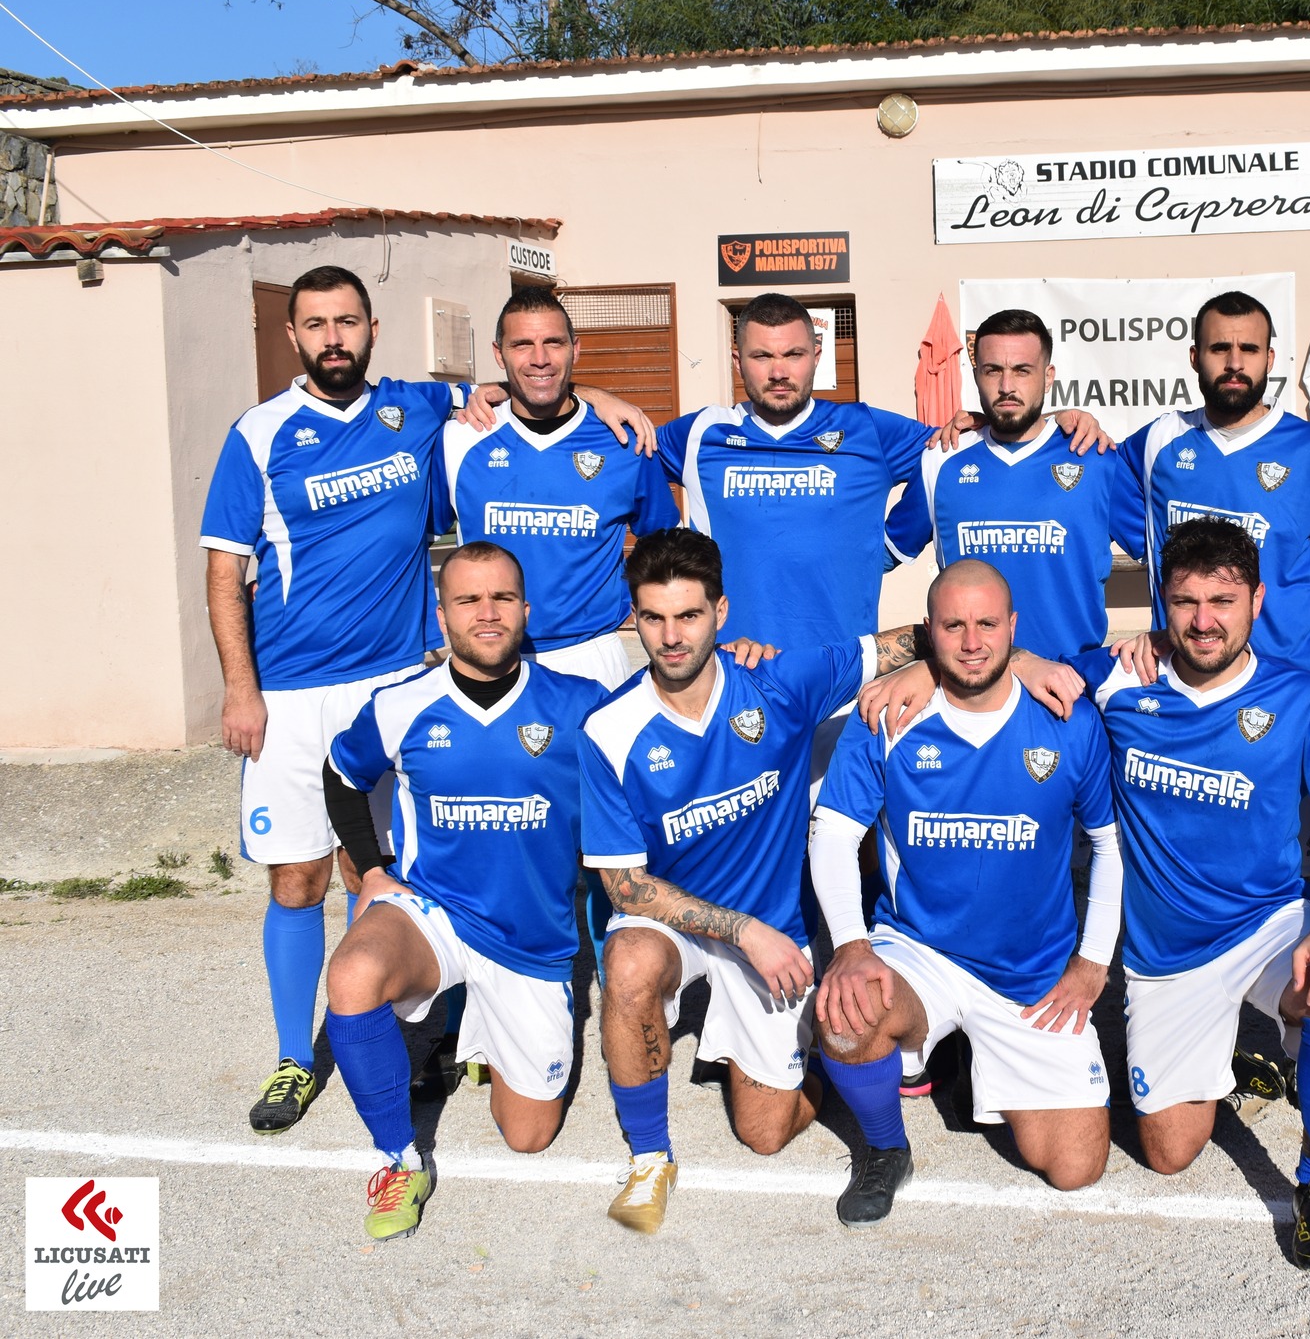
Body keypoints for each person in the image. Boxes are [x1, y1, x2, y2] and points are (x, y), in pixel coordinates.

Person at [200, 265, 651, 1136]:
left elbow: (531, 381)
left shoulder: (416, 411)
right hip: (290, 694)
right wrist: (240, 685)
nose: (334, 337)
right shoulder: (258, 434)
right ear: (293, 336)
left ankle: (433, 1031)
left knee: (408, 869)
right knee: (296, 879)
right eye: (316, 324)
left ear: (372, 330)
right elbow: (226, 568)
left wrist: (594, 388)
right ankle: (299, 1055)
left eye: (348, 321)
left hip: (393, 678)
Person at [574, 528, 931, 1234]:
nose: (672, 637)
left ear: (722, 611)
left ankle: (798, 1061)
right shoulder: (609, 728)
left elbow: (933, 633)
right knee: (628, 961)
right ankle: (650, 1157)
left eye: (689, 615)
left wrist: (954, 664)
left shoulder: (779, 683)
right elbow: (625, 886)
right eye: (654, 617)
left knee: (765, 1132)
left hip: (773, 926)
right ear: (634, 619)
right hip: (684, 921)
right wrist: (744, 931)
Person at [1065, 517, 1310, 1270]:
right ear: (1161, 602)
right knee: (1169, 1151)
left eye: (1222, 599)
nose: (1204, 620)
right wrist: (921, 670)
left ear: (1257, 600)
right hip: (1164, 954)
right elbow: (1002, 666)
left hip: (1269, 920)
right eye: (1184, 601)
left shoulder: (1300, 697)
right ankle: (1251, 1058)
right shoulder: (1120, 677)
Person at [807, 560, 1123, 1225]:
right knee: (845, 1010)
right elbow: (833, 837)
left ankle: (975, 1057)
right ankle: (885, 1148)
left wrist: (1093, 961)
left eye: (987, 623)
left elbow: (1108, 845)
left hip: (1030, 975)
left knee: (1076, 1166)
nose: (972, 641)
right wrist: (852, 947)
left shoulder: (1066, 719)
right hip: (922, 952)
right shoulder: (887, 715)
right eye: (953, 625)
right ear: (930, 632)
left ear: (1014, 628)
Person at [319, 542, 609, 1240]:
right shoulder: (402, 704)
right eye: (468, 599)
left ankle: (478, 1044)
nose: (487, 612)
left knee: (528, 1134)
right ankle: (398, 1158)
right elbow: (340, 772)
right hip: (434, 911)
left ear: (526, 609)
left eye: (502, 597)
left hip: (531, 938)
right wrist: (371, 865)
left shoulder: (581, 704)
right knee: (353, 973)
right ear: (442, 612)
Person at [656, 292, 1108, 653]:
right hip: (729, 665)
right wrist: (595, 396)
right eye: (761, 357)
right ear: (737, 361)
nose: (778, 372)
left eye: (793, 354)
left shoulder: (868, 430)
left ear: (817, 355)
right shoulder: (699, 434)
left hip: (840, 674)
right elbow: (615, 447)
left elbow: (975, 448)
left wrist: (1060, 419)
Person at [442, 286, 680, 689]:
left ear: (576, 349)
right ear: (499, 354)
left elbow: (664, 549)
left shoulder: (624, 440)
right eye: (522, 345)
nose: (539, 358)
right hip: (488, 656)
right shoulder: (458, 439)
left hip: (591, 658)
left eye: (553, 342)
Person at [1116, 291, 1310, 672]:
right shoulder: (1157, 442)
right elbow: (1082, 466)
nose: (1234, 363)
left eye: (1248, 349)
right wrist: (1065, 418)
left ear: (1268, 359)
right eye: (1219, 348)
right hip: (1185, 675)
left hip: (1289, 679)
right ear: (1195, 357)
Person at [883, 309, 1147, 659]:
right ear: (976, 375)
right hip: (971, 686)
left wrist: (1156, 640)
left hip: (1068, 686)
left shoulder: (1095, 459)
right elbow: (871, 558)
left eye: (1022, 370)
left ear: (1048, 376)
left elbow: (1175, 562)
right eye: (993, 370)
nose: (1007, 387)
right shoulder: (941, 459)